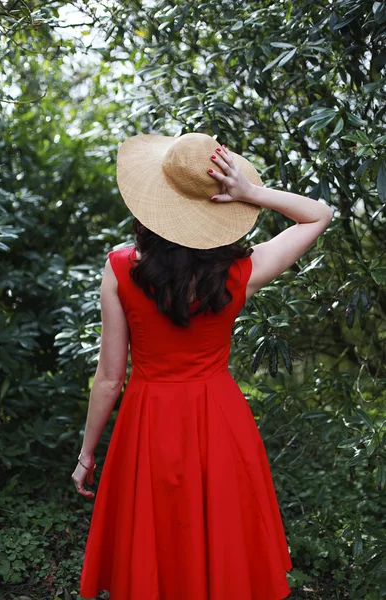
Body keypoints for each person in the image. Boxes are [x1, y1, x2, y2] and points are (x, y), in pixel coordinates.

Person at [72, 133, 333, 600]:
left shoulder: (120, 269)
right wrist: (251, 193)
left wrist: (86, 454)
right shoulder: (239, 273)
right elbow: (319, 214)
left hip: (148, 423)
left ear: (153, 204)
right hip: (219, 421)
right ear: (215, 206)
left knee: (155, 544)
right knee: (219, 542)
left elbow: (110, 379)